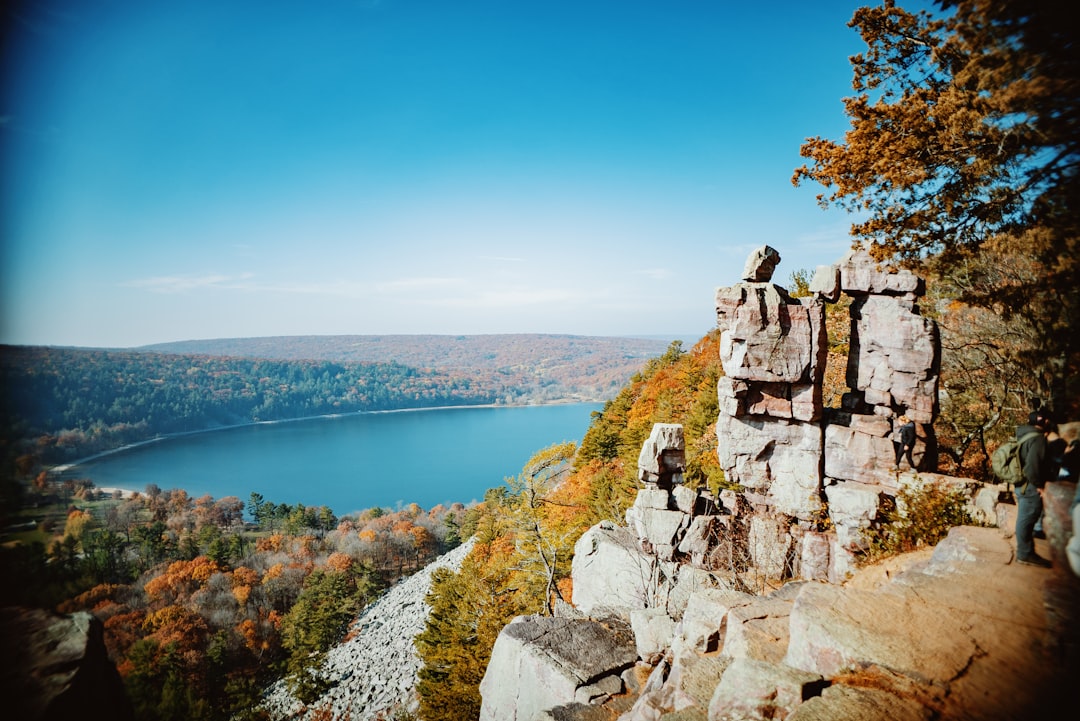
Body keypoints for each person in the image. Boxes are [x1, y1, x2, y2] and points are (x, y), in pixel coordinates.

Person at [1014, 412, 1056, 567]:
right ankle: (1025, 554)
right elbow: (1033, 466)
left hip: (1020, 483)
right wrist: (1039, 486)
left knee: (1024, 519)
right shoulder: (1038, 439)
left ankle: (1025, 551)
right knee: (1026, 520)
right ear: (1044, 421)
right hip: (1030, 486)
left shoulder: (1023, 434)